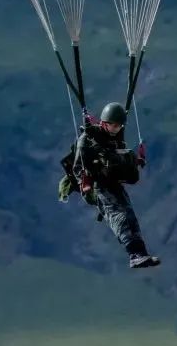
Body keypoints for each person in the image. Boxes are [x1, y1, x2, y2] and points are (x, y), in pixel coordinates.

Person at [60, 101, 161, 270]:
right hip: (97, 186)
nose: (116, 129)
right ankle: (134, 255)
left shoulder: (116, 140)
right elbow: (78, 168)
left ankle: (141, 253)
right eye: (113, 125)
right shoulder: (88, 139)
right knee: (118, 215)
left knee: (130, 216)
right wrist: (86, 182)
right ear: (105, 123)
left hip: (113, 183)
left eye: (119, 126)